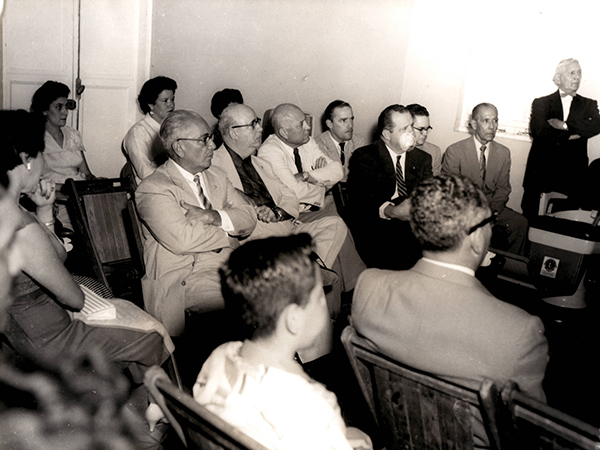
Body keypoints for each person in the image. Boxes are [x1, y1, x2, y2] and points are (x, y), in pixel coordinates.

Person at [352, 174, 548, 447]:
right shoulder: (520, 331)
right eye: (490, 222)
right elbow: (532, 431)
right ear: (477, 238)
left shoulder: (369, 287)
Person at [1, 109, 172, 385]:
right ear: (26, 160)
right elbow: (75, 300)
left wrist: (44, 212)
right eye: (42, 154)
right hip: (51, 341)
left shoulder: (10, 209)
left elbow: (53, 256)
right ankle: (147, 407)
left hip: (16, 340)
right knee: (154, 338)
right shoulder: (22, 225)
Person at [193, 234, 372, 450]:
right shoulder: (314, 403)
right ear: (293, 319)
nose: (324, 301)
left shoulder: (220, 355)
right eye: (319, 297)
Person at [135, 110, 257, 336]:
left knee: (290, 291)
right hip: (186, 276)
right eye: (204, 140)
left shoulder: (217, 175)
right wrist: (229, 234)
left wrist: (214, 217)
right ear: (180, 147)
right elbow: (183, 241)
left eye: (211, 137)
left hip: (231, 266)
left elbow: (249, 217)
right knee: (248, 305)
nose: (213, 145)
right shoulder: (154, 188)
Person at [346, 104, 432, 270]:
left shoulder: (422, 159)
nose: (412, 133)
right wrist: (392, 211)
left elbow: (428, 194)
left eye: (411, 126)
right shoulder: (365, 156)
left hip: (412, 225)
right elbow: (362, 200)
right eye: (404, 129)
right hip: (377, 226)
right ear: (386, 134)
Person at [443, 103, 528, 255]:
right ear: (474, 124)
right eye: (486, 121)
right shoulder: (455, 151)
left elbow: (503, 189)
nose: (492, 126)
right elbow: (451, 191)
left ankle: (509, 265)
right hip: (464, 209)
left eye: (495, 120)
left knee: (520, 223)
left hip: (492, 207)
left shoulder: (503, 153)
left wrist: (492, 213)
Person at [521, 58, 600, 219]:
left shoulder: (589, 104)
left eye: (579, 73)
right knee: (530, 219)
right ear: (559, 77)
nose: (577, 77)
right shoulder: (541, 103)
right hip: (541, 170)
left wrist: (564, 125)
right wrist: (576, 134)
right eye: (572, 73)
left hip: (572, 173)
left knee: (563, 220)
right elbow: (539, 132)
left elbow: (596, 126)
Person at [258, 103, 343, 220]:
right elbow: (295, 192)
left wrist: (306, 176)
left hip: (311, 209)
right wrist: (322, 186)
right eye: (301, 124)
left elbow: (337, 170)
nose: (308, 127)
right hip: (290, 215)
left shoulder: (308, 142)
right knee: (337, 222)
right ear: (284, 132)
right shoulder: (269, 151)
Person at [30, 80, 96, 229]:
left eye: (66, 107)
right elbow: (32, 182)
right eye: (59, 107)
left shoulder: (73, 134)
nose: (65, 112)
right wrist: (67, 189)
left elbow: (86, 173)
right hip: (55, 201)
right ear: (44, 110)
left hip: (80, 196)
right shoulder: (34, 138)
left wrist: (95, 181)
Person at [122, 76, 177, 185]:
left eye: (172, 99)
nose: (171, 105)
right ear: (151, 105)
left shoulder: (174, 128)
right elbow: (145, 172)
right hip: (152, 187)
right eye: (165, 101)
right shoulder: (138, 133)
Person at [406, 103, 442, 175]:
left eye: (427, 128)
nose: (425, 133)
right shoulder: (396, 149)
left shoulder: (434, 152)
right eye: (421, 129)